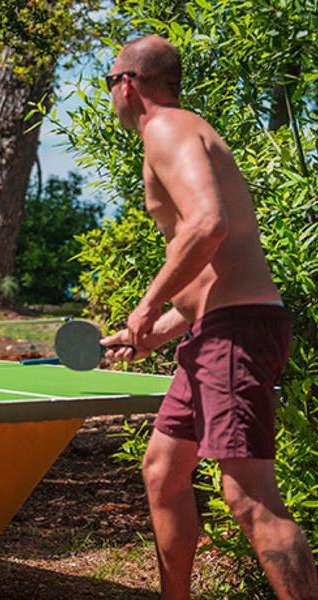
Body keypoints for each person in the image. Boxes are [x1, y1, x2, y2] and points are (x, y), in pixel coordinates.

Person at [100, 35, 317, 599]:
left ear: (127, 84)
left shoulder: (166, 128)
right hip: (218, 327)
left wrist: (146, 303)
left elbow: (207, 224)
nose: (110, 96)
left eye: (107, 84)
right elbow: (210, 276)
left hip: (236, 331)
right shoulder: (178, 130)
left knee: (249, 498)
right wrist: (154, 329)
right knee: (163, 472)